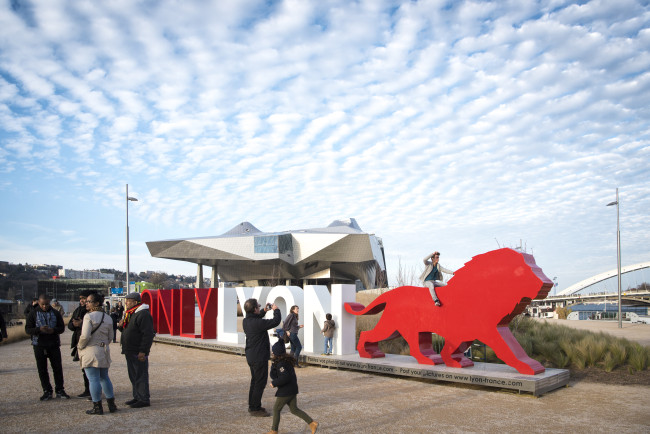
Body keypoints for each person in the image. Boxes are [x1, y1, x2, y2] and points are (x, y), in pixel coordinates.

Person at [267, 339, 318, 434]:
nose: (272, 353)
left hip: (286, 391)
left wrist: (274, 383)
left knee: (276, 409)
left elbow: (285, 377)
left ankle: (274, 431)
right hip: (292, 389)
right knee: (294, 409)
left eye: (273, 352)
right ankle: (312, 423)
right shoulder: (283, 361)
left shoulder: (281, 364)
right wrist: (273, 366)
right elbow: (274, 375)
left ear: (277, 353)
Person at [78, 292, 117, 415]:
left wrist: (80, 346)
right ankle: (111, 404)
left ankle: (97, 406)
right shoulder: (108, 317)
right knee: (104, 377)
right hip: (103, 349)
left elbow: (85, 335)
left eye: (89, 301)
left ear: (96, 303)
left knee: (93, 379)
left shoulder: (88, 317)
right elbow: (111, 336)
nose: (86, 303)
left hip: (90, 349)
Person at [24, 294, 69, 400]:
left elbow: (62, 328)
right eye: (43, 304)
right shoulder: (33, 313)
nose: (45, 306)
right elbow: (27, 329)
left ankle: (60, 389)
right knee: (42, 369)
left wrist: (53, 330)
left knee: (57, 368)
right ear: (39, 303)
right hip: (39, 344)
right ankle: (47, 390)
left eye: (47, 304)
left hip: (53, 344)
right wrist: (39, 330)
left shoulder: (56, 313)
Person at [242, 298, 281, 417]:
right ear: (254, 309)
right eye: (258, 307)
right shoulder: (258, 323)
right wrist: (276, 310)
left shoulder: (246, 321)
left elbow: (255, 318)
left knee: (254, 382)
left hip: (251, 356)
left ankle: (253, 406)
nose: (259, 308)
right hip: (259, 357)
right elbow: (275, 321)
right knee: (259, 383)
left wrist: (264, 311)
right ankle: (255, 408)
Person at [117, 292, 155, 408]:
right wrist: (120, 326)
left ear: (135, 302)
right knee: (133, 375)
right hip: (130, 350)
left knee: (140, 374)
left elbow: (147, 334)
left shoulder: (142, 314)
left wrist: (143, 351)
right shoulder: (130, 314)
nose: (126, 303)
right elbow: (128, 331)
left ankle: (143, 398)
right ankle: (137, 396)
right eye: (125, 301)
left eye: (128, 301)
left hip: (138, 351)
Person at [68, 289, 96, 398]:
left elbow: (93, 326)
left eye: (84, 299)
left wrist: (81, 324)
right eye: (80, 299)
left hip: (89, 342)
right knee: (84, 368)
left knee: (92, 369)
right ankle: (87, 389)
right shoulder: (78, 310)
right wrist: (74, 325)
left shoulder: (93, 312)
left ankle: (93, 390)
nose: (82, 301)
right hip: (79, 341)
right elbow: (70, 325)